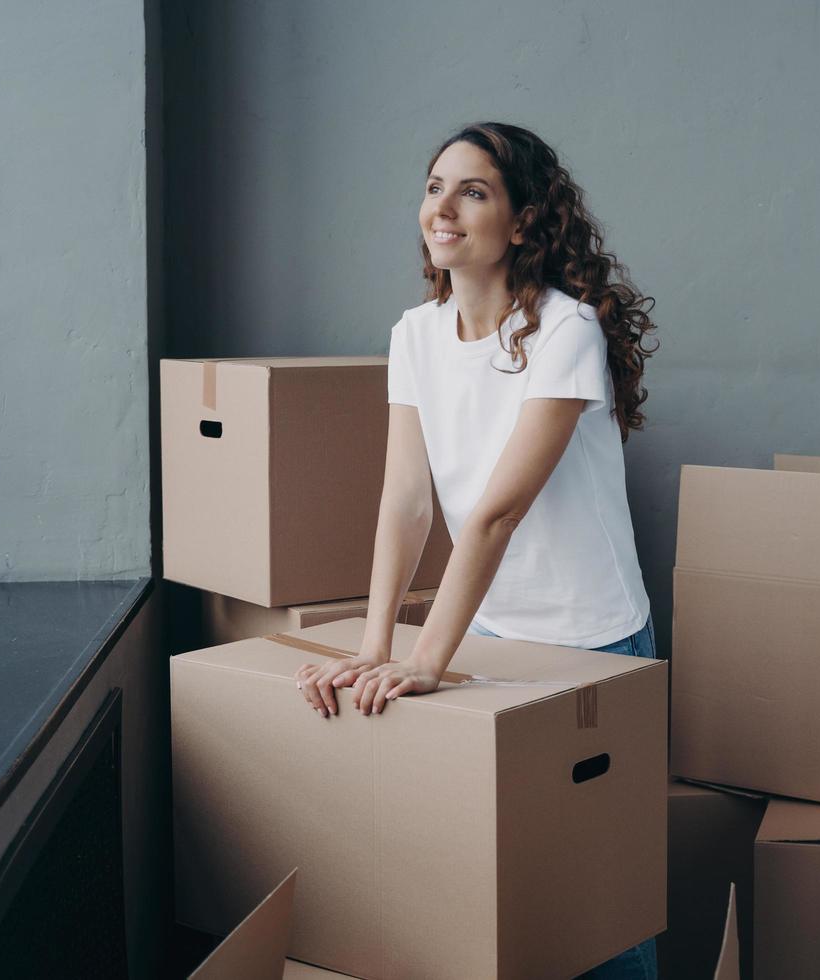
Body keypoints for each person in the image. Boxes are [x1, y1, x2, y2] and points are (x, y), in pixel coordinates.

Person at [294, 121, 660, 979]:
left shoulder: (566, 331)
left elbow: (496, 513)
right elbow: (406, 501)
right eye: (433, 187)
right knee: (509, 892)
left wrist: (426, 660)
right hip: (490, 638)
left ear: (525, 221)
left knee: (598, 904)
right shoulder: (414, 336)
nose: (443, 207)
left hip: (590, 640)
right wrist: (374, 647)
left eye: (473, 190)